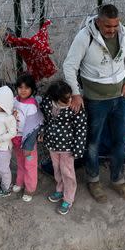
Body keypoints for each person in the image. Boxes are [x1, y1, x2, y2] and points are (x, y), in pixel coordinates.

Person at [63, 4, 125, 203]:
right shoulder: (84, 37)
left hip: (119, 99)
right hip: (95, 101)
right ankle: (93, 180)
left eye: (115, 25)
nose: (111, 30)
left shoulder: (123, 34)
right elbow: (69, 66)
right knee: (93, 142)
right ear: (98, 22)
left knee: (120, 141)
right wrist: (77, 94)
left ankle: (117, 179)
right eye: (107, 26)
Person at [38, 81, 87, 215]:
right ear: (55, 98)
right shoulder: (47, 104)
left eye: (70, 97)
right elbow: (44, 119)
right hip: (53, 145)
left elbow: (81, 128)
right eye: (65, 99)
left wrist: (78, 148)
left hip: (67, 147)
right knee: (57, 169)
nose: (70, 100)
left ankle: (68, 198)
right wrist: (42, 132)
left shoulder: (75, 108)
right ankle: (60, 190)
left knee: (68, 172)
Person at [12, 74, 44, 202]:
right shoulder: (14, 100)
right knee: (20, 162)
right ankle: (20, 182)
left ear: (32, 89)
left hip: (27, 141)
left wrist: (29, 146)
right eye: (20, 87)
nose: (23, 90)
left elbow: (33, 128)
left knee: (29, 164)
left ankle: (30, 188)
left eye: (26, 88)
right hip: (16, 138)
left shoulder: (31, 106)